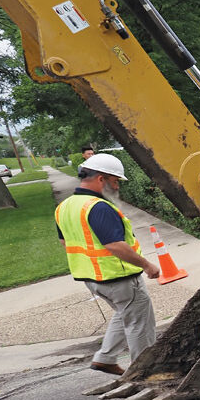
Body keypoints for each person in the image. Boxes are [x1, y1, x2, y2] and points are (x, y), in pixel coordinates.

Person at [55, 153, 161, 376]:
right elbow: (115, 245)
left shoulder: (65, 207)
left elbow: (66, 242)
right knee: (139, 324)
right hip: (118, 278)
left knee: (124, 314)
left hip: (91, 278)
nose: (117, 187)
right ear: (101, 179)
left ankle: (105, 358)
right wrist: (147, 265)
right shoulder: (98, 207)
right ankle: (145, 372)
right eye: (115, 181)